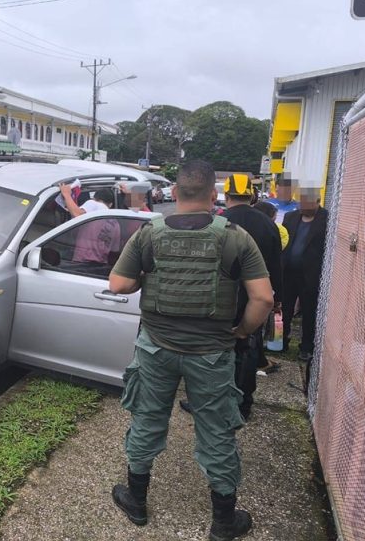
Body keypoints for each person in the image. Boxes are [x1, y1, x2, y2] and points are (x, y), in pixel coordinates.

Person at [108, 160, 273, 541]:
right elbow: (263, 299)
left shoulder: (149, 233)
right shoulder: (235, 237)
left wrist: (146, 278)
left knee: (147, 419)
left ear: (175, 193)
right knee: (216, 431)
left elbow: (118, 284)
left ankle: (136, 500)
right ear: (213, 195)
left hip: (156, 348)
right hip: (212, 353)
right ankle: (223, 522)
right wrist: (241, 331)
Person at [220, 174, 282, 420]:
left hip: (222, 299)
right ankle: (243, 405)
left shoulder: (219, 221)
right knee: (249, 349)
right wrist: (277, 298)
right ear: (252, 196)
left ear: (227, 196)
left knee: (217, 353)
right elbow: (277, 265)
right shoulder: (268, 224)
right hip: (257, 297)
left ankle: (212, 402)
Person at [281, 188, 328, 362]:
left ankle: (306, 347)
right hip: (289, 273)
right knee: (285, 310)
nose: (302, 206)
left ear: (317, 202)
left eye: (307, 203)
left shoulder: (326, 219)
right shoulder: (290, 217)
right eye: (301, 202)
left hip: (311, 275)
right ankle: (281, 342)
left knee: (309, 312)